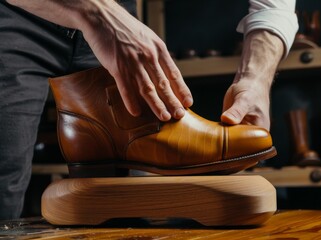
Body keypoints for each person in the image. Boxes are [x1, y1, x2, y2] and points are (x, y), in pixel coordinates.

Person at [0, 0, 298, 220]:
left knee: (128, 207)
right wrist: (96, 10)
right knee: (4, 184)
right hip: (16, 15)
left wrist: (254, 77)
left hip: (114, 15)